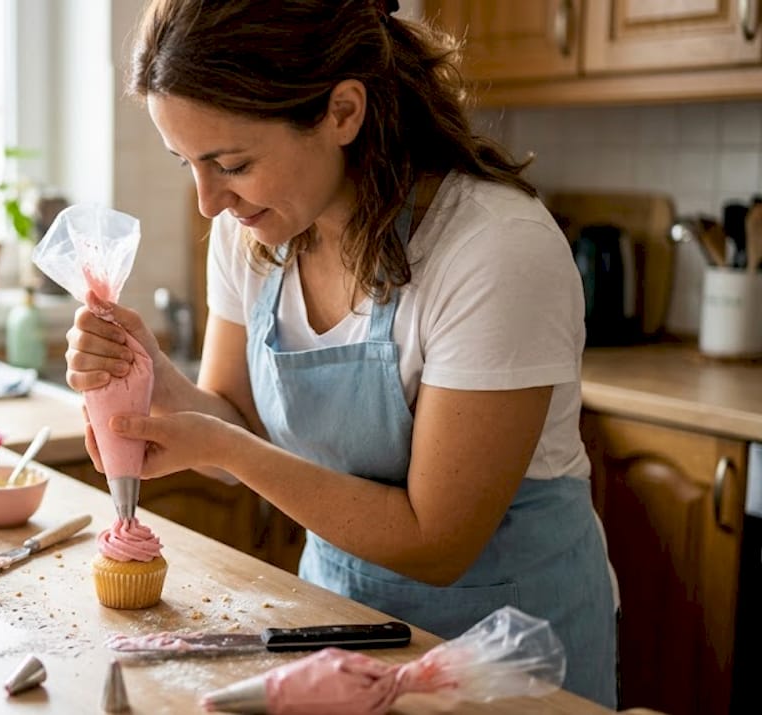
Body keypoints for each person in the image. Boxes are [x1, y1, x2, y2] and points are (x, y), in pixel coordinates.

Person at [64, 0, 617, 707]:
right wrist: (153, 381)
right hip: (335, 629)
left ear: (343, 112)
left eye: (230, 162)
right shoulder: (253, 235)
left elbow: (436, 540)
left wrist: (224, 447)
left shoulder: (494, 248)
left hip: (506, 658)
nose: (206, 201)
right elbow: (236, 419)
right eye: (188, 163)